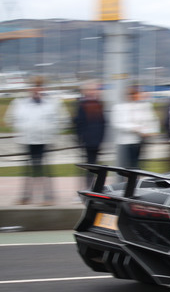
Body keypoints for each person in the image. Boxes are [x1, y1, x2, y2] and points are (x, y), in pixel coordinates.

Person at [5, 76, 69, 205]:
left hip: (44, 140)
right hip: (27, 140)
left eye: (39, 86)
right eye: (34, 86)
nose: (37, 89)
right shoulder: (20, 104)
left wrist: (52, 130)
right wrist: (21, 128)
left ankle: (48, 197)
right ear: (30, 88)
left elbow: (64, 120)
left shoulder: (52, 104)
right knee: (28, 170)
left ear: (43, 88)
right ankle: (25, 197)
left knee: (45, 169)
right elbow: (9, 119)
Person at [111, 85, 159, 171]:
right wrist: (134, 128)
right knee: (124, 167)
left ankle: (134, 182)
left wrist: (149, 130)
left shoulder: (141, 106)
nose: (133, 96)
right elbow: (117, 123)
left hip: (138, 141)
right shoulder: (119, 107)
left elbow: (149, 120)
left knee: (136, 166)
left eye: (135, 94)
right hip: (124, 142)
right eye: (131, 94)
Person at [74, 80, 106, 189]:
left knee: (95, 165)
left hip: (97, 140)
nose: (93, 92)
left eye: (95, 89)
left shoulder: (98, 105)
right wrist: (81, 138)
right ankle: (88, 187)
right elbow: (79, 123)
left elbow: (103, 123)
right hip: (88, 141)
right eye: (90, 90)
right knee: (89, 165)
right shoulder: (83, 105)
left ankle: (95, 187)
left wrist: (101, 138)